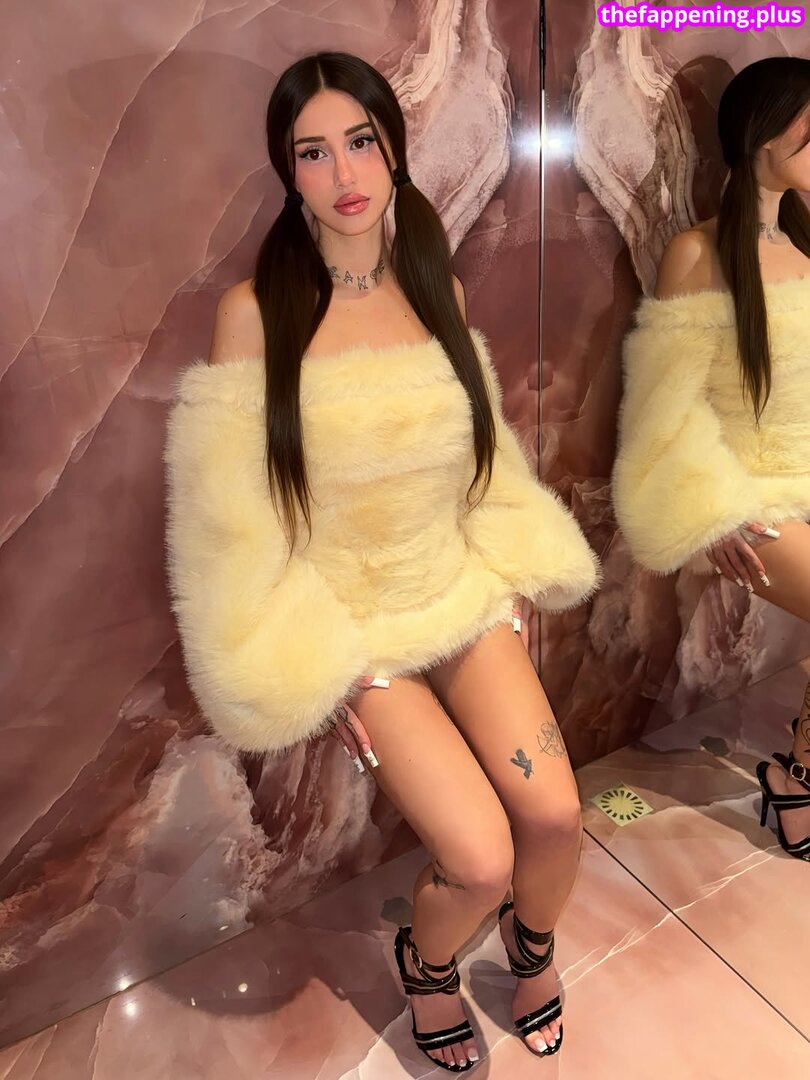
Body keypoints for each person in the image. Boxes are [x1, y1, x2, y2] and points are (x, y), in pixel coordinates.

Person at [164, 52, 599, 1070]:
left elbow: (479, 454)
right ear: (288, 173)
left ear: (395, 150)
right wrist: (319, 659)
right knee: (479, 860)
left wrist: (503, 570)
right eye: (313, 152)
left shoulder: (436, 287)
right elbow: (232, 522)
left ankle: (532, 954)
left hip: (454, 590)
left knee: (557, 815)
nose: (344, 172)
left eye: (360, 141)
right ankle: (428, 965)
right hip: (360, 632)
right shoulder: (256, 313)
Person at [613, 57, 810, 862]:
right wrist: (716, 509)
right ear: (762, 139)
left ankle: (799, 771)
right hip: (753, 497)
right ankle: (800, 776)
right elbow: (663, 411)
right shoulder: (698, 253)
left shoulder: (806, 241)